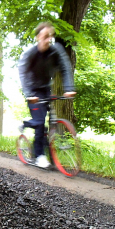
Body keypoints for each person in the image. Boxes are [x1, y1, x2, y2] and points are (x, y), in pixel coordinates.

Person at [18, 22, 77, 168]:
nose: (48, 39)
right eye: (45, 36)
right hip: (33, 91)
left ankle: (52, 155)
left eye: (51, 36)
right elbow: (23, 73)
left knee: (48, 124)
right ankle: (39, 156)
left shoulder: (56, 50)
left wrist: (69, 88)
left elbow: (65, 67)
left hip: (46, 88)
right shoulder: (30, 53)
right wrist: (29, 94)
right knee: (39, 123)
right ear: (38, 37)